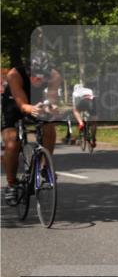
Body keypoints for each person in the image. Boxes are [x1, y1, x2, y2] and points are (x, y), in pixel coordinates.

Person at [3, 52, 62, 203]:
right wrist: (30, 109)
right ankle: (11, 184)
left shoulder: (54, 76)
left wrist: (51, 107)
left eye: (42, 77)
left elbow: (52, 98)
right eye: (35, 76)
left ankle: (45, 166)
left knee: (49, 127)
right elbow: (22, 104)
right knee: (12, 143)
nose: (38, 80)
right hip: (14, 102)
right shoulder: (14, 75)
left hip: (37, 101)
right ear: (28, 71)